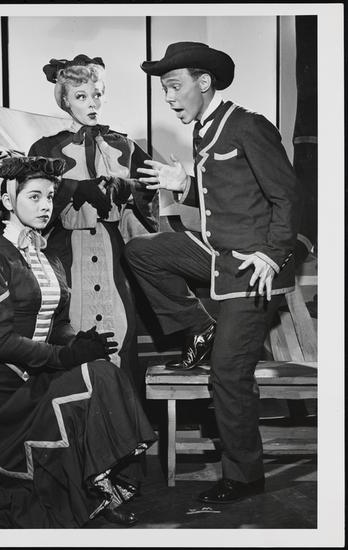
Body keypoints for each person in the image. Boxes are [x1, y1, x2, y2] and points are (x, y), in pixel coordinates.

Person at [124, 42, 301, 503]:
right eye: (164, 90)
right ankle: (198, 326)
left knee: (228, 374)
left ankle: (244, 477)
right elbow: (228, 201)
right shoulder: (205, 130)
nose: (168, 98)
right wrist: (184, 185)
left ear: (204, 82)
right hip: (219, 255)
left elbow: (287, 196)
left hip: (254, 270)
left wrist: (273, 254)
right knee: (142, 252)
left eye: (174, 86)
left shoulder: (248, 125)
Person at [0, 156, 156, 528]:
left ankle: (101, 485)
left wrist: (78, 341)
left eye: (50, 197)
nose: (45, 206)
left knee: (102, 370)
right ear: (9, 201)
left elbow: (58, 325)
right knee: (91, 376)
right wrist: (66, 356)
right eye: (35, 197)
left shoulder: (50, 259)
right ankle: (94, 491)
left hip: (33, 370)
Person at [28, 54, 158, 381]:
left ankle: (121, 409)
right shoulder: (45, 148)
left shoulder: (125, 146)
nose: (92, 103)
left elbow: (151, 189)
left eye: (97, 94)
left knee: (122, 330)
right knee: (70, 332)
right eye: (81, 96)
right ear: (65, 101)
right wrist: (74, 189)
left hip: (115, 252)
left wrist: (126, 187)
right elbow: (30, 200)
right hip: (64, 253)